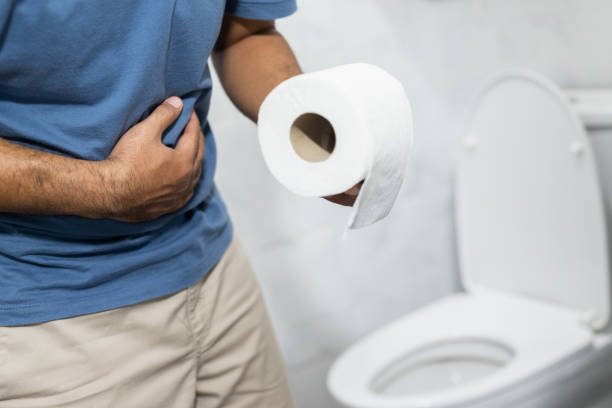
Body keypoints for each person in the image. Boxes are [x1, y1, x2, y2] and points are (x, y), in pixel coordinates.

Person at [0, 1, 360, 407]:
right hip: (55, 314)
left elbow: (246, 34)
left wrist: (316, 130)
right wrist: (105, 188)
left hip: (212, 263)